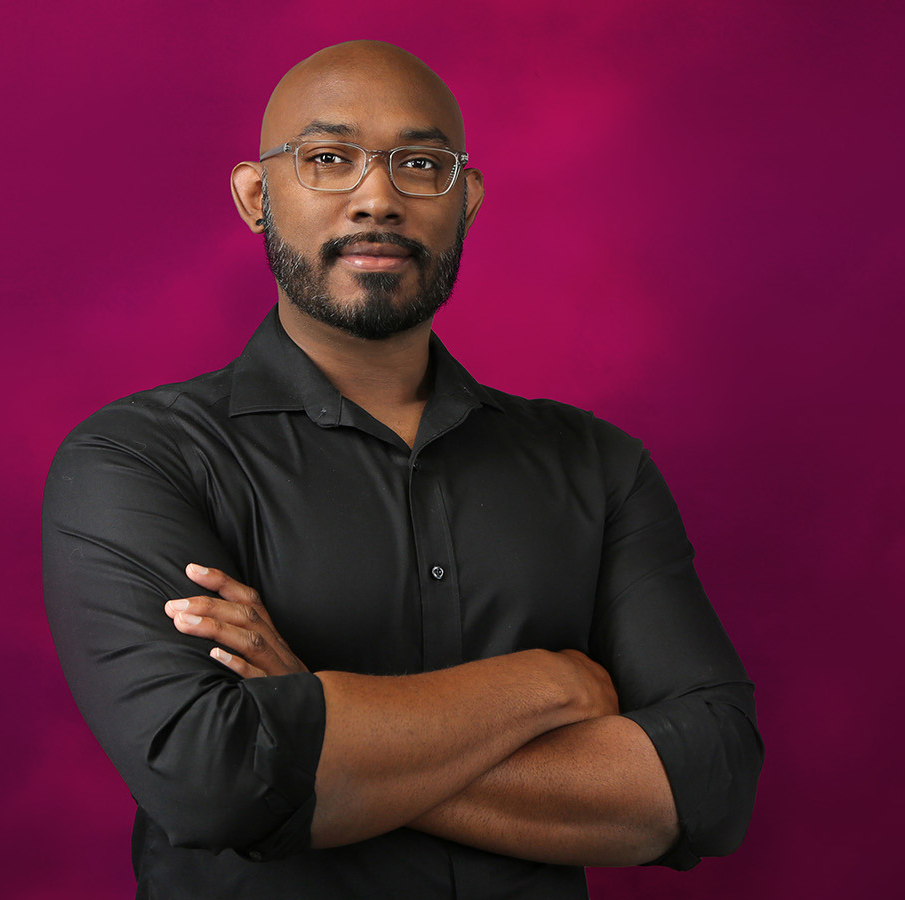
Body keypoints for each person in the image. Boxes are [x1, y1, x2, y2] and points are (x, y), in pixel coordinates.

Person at [42, 39, 762, 899]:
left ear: (468, 199)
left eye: (421, 163)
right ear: (253, 197)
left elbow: (710, 784)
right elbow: (217, 781)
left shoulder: (599, 467)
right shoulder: (137, 459)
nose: (377, 198)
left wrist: (312, 714)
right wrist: (549, 684)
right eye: (328, 159)